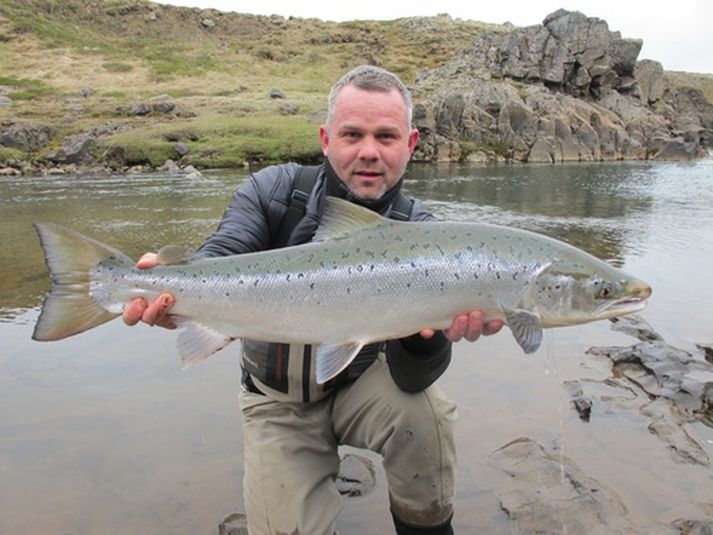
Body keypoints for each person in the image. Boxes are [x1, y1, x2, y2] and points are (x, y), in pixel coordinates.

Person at [123, 65, 503, 535]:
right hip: (277, 402)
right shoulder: (273, 192)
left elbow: (412, 378)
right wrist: (174, 294)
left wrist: (429, 338)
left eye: (386, 136)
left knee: (427, 413)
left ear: (410, 144)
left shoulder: (425, 233)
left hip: (363, 390)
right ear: (326, 139)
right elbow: (221, 255)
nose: (368, 152)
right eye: (352, 134)